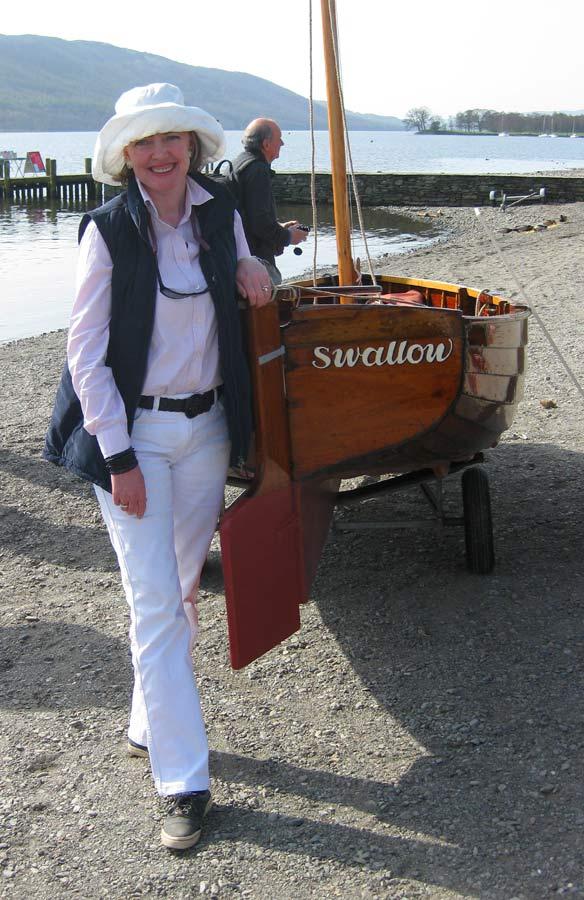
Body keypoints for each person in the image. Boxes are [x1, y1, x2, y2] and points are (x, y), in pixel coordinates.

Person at [43, 83, 273, 851]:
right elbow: (84, 354)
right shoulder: (106, 231)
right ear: (126, 156)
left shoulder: (220, 212)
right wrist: (117, 458)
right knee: (155, 607)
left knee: (180, 590)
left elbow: (249, 267)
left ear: (192, 146)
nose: (160, 153)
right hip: (133, 436)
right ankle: (184, 782)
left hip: (206, 430)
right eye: (144, 142)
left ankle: (148, 717)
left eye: (170, 137)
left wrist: (254, 272)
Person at [231, 118, 308, 284]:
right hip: (256, 263)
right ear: (266, 144)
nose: (282, 143)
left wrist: (279, 228)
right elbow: (259, 223)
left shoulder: (238, 164)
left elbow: (248, 219)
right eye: (279, 139)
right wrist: (288, 237)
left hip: (239, 259)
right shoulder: (257, 170)